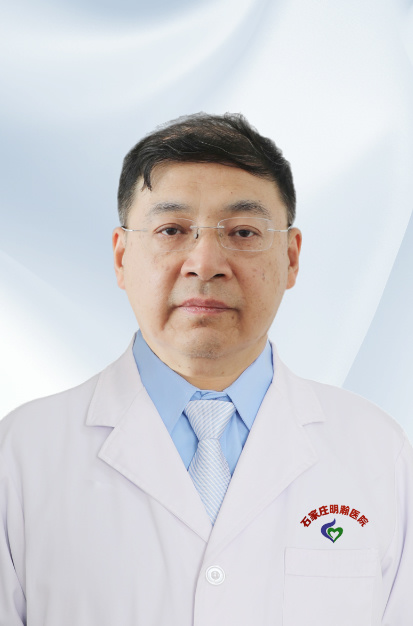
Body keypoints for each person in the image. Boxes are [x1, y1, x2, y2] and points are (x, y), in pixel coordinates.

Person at [0, 113, 412, 626]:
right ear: (122, 256)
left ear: (291, 257)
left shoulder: (377, 452)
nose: (205, 262)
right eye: (172, 230)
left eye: (242, 232)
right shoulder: (21, 453)